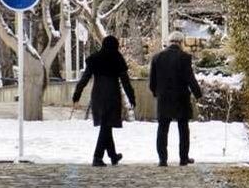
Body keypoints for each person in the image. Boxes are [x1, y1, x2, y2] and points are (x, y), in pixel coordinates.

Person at [72, 35, 137, 167]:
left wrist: (77, 95)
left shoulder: (95, 59)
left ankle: (113, 156)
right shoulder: (117, 58)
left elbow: (84, 79)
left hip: (98, 95)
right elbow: (125, 81)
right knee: (106, 126)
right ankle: (97, 157)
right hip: (112, 94)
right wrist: (131, 97)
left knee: (105, 126)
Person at [150, 30, 203, 166]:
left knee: (162, 129)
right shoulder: (185, 57)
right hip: (181, 98)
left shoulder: (157, 57)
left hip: (164, 98)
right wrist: (198, 94)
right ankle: (183, 158)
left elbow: (152, 82)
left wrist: (156, 93)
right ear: (180, 43)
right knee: (183, 128)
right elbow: (190, 78)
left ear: (169, 42)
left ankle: (162, 159)